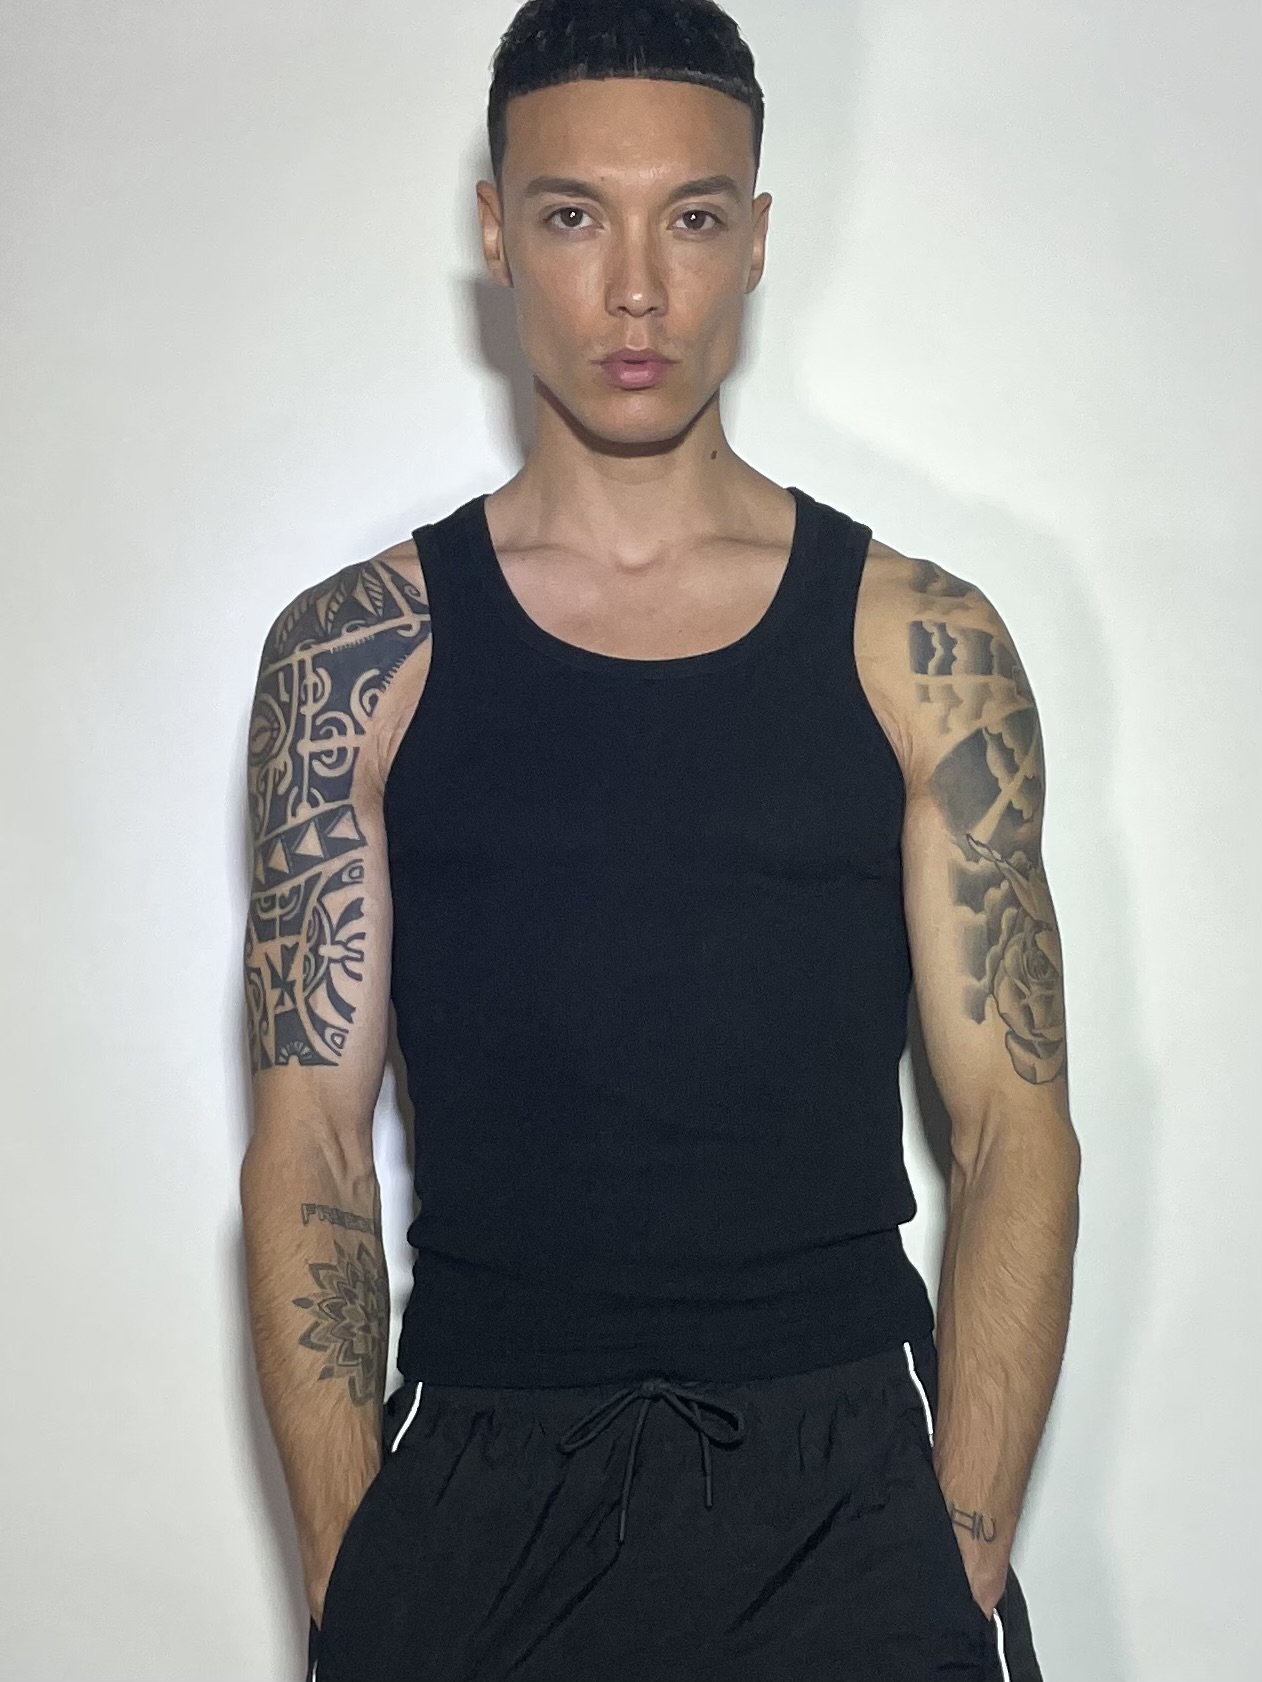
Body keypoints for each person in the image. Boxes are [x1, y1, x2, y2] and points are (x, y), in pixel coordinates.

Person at [238, 2, 1081, 1678]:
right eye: (574, 215)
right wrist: (355, 1571)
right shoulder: (355, 660)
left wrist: (957, 1547)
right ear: (495, 231)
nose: (635, 289)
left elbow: (1013, 1127)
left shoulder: (922, 648)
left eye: (690, 218)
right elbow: (311, 1145)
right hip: (474, 1493)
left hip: (846, 1501)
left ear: (754, 239)